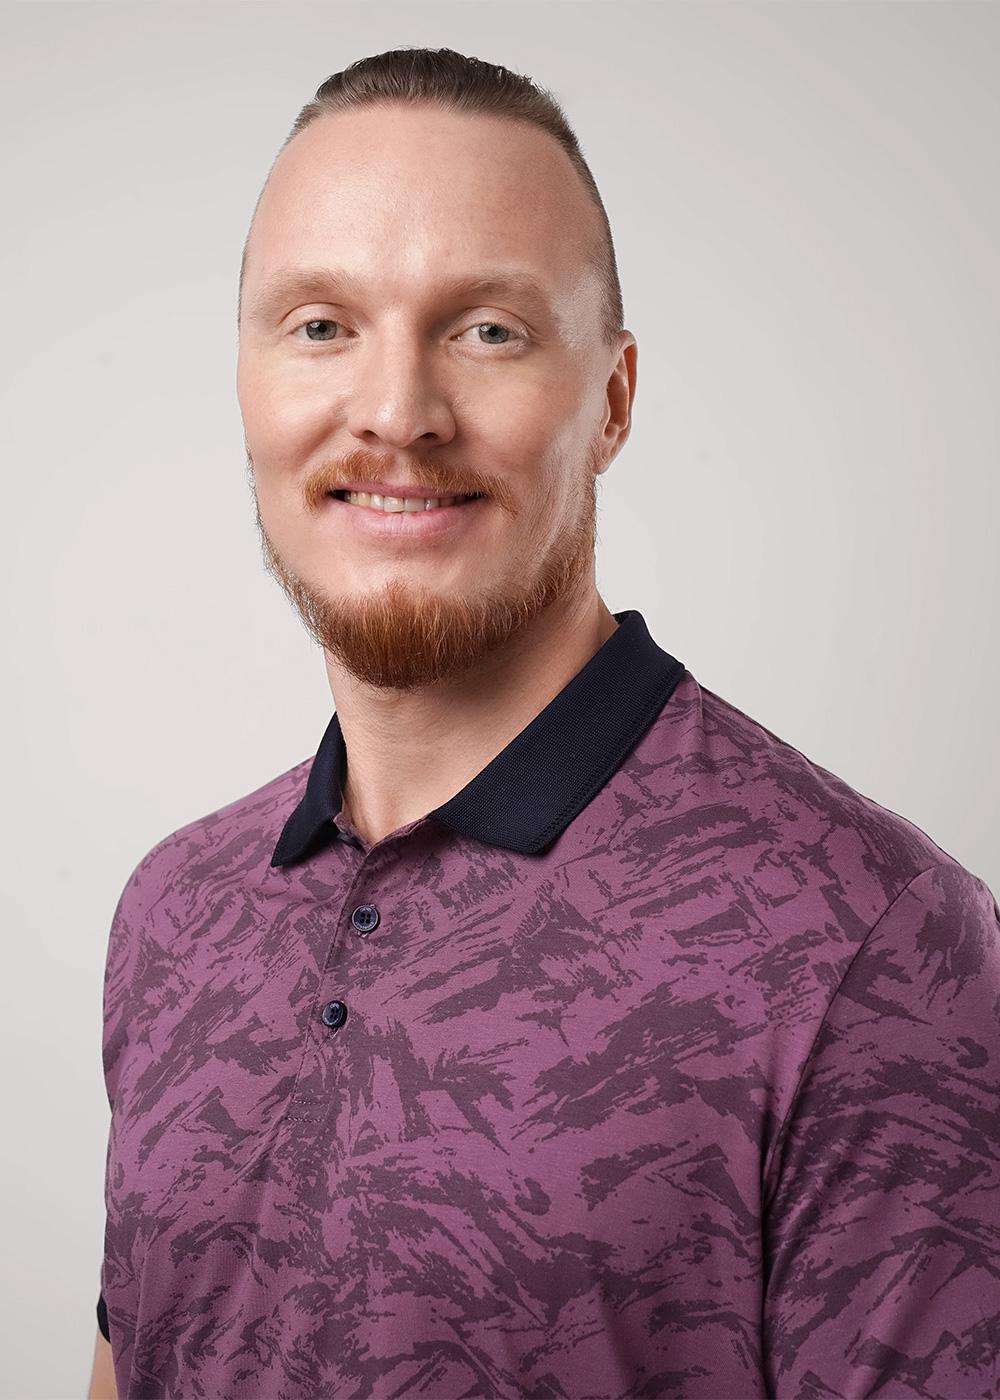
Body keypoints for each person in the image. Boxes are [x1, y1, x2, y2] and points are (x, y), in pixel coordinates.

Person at [88, 46, 999, 1400]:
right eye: (321, 326)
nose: (396, 414)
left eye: (488, 331)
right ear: (246, 380)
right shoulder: (175, 913)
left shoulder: (873, 942)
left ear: (613, 400)